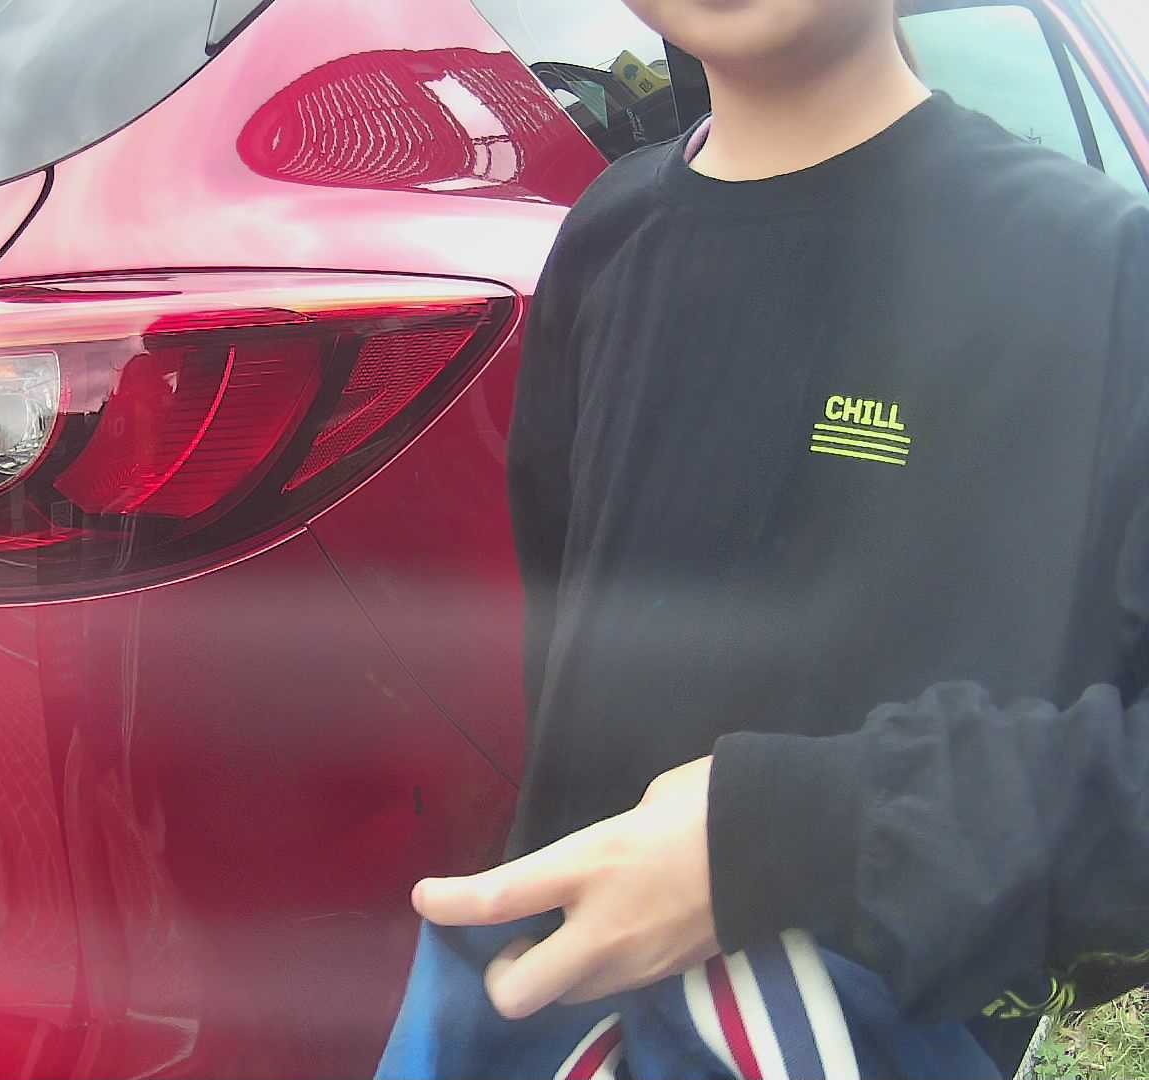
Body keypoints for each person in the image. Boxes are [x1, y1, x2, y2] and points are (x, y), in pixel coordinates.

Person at [375, 1, 1149, 1077]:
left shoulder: (1099, 274)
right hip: (577, 1029)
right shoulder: (605, 236)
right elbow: (565, 658)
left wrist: (776, 841)